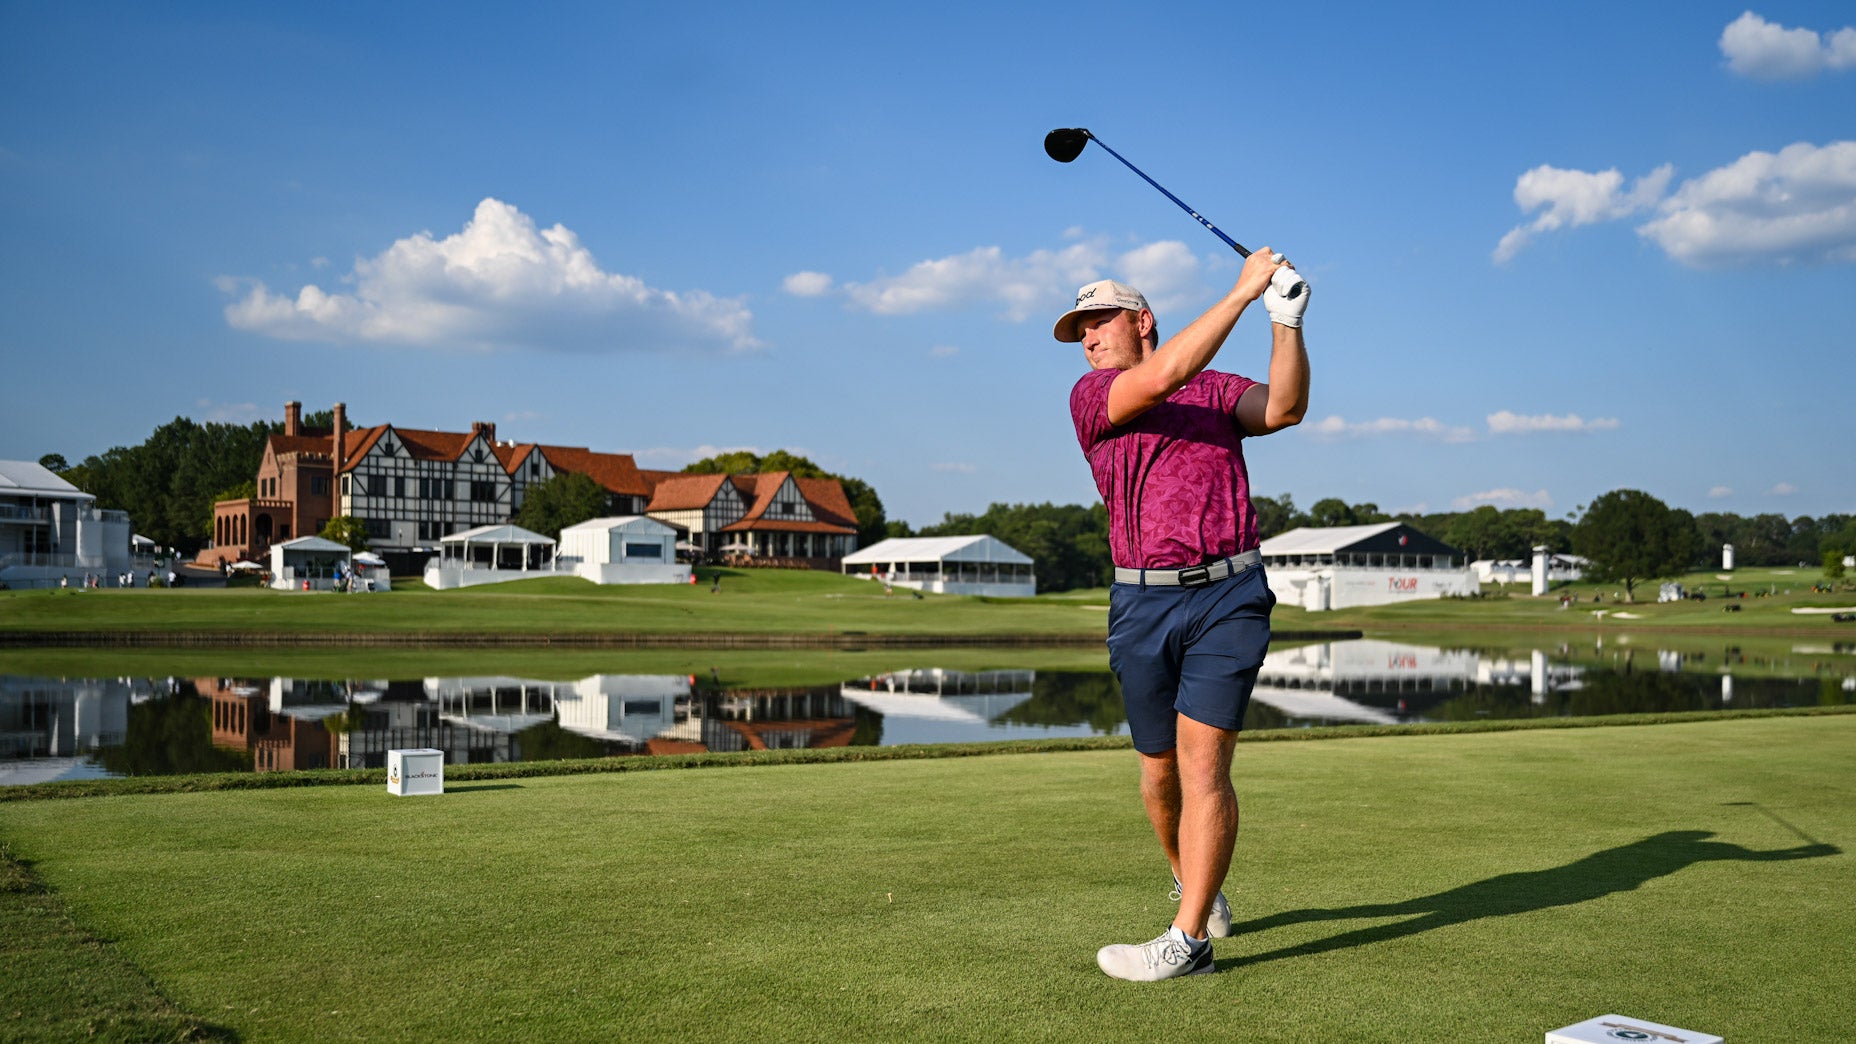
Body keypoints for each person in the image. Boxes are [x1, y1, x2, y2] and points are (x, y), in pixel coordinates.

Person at [1056, 247, 1310, 981]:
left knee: (1205, 769)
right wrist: (1241, 291)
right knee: (1158, 774)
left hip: (1228, 593)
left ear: (1142, 320)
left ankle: (1188, 936)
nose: (1090, 338)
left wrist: (1283, 319)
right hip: (1140, 601)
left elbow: (1284, 408)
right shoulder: (1091, 399)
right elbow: (1165, 375)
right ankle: (1189, 875)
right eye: (1081, 330)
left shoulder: (1215, 391)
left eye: (1100, 321)